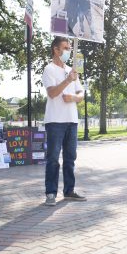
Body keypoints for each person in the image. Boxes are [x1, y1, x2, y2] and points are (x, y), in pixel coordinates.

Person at [42, 36, 86, 206]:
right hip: (55, 121)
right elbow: (52, 93)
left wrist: (74, 97)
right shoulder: (49, 69)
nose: (68, 51)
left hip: (71, 121)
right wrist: (68, 79)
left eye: (69, 48)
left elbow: (81, 94)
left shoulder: (72, 70)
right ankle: (51, 193)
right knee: (53, 158)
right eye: (66, 48)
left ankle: (69, 191)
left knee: (70, 158)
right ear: (56, 49)